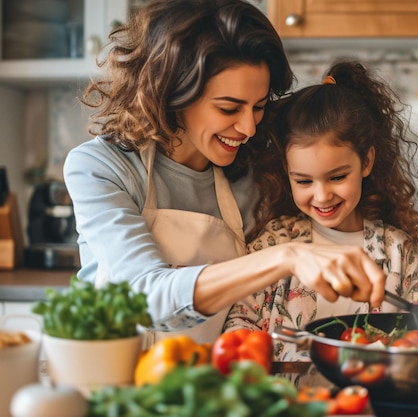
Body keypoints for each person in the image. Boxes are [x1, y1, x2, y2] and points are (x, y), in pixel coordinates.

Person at [63, 0, 386, 344]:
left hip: (216, 384)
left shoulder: (256, 175)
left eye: (258, 107)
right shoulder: (102, 168)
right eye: (229, 108)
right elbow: (142, 298)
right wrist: (286, 256)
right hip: (118, 382)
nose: (247, 127)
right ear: (174, 92)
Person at [223, 60, 418, 360]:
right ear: (287, 171)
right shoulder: (274, 244)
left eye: (337, 177)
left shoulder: (401, 253)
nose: (322, 196)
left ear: (367, 162)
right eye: (304, 181)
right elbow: (239, 324)